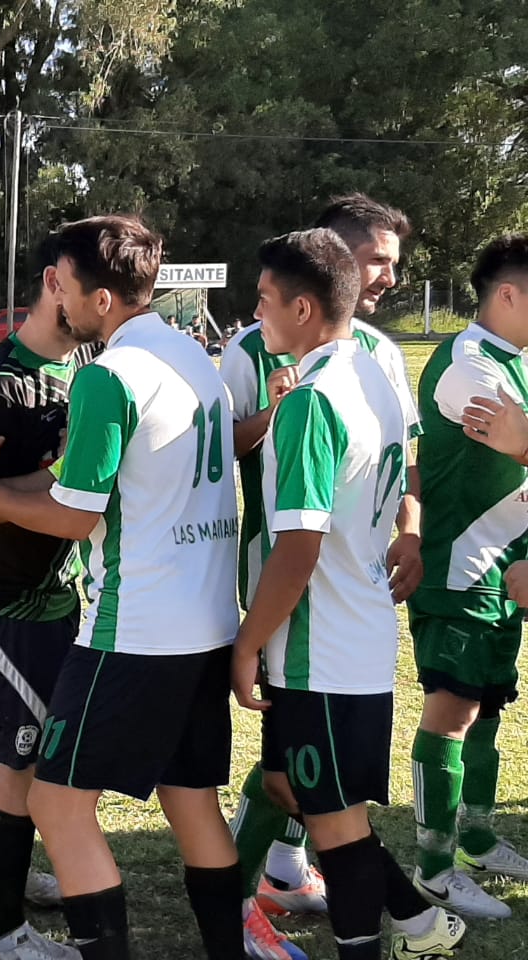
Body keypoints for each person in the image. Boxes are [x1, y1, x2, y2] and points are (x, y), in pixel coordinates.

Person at [0, 214, 244, 960]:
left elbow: (76, 515)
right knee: (193, 802)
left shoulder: (110, 375)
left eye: (69, 288)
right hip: (211, 620)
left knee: (55, 802)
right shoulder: (195, 356)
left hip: (135, 627)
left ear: (100, 298)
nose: (61, 301)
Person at [232, 228, 464, 960]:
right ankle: (419, 924)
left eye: (265, 299)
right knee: (292, 790)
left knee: (335, 827)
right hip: (354, 629)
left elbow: (299, 547)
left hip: (320, 649)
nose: (257, 313)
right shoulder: (371, 375)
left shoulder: (310, 402)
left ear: (302, 309)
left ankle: (394, 941)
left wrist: (246, 645)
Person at [0, 233, 101, 960]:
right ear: (53, 284)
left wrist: (64, 478)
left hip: (54, 597)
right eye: (88, 289)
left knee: (27, 749)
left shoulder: (86, 365)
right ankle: (1, 935)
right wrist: (70, 478)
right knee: (19, 763)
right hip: (5, 605)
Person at [406, 233, 528, 919]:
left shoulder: (517, 361)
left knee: (488, 707)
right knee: (451, 713)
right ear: (507, 294)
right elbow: (519, 441)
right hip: (461, 568)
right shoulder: (468, 365)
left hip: (507, 567)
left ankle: (477, 836)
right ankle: (433, 867)